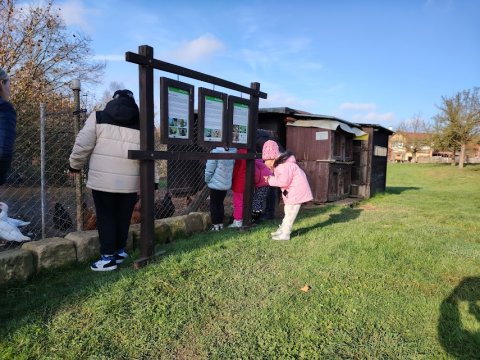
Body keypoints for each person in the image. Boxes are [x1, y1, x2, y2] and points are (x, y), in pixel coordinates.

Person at [68, 89, 140, 271]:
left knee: (106, 217)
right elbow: (150, 154)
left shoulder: (98, 116)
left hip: (103, 180)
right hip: (130, 181)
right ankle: (119, 251)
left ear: (113, 100)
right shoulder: (142, 122)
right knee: (124, 216)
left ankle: (108, 257)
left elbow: (83, 143)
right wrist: (152, 180)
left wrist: (74, 165)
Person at [262, 140, 313, 241]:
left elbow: (283, 182)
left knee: (290, 213)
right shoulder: (282, 164)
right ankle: (283, 230)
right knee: (288, 211)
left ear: (272, 157)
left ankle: (285, 233)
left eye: (266, 160)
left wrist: (269, 179)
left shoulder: (283, 166)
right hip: (293, 191)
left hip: (296, 192)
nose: (265, 163)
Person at [204, 146, 236, 231]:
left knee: (214, 204)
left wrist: (207, 179)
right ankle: (220, 224)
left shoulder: (215, 152)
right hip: (225, 183)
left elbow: (209, 169)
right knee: (220, 203)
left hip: (215, 183)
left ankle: (215, 225)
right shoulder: (233, 152)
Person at [0, 67, 16, 185]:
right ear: (1, 83)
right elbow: (3, 152)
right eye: (9, 86)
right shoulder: (4, 108)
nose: (9, 90)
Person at [229, 148, 247, 228]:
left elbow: (236, 168)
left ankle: (238, 221)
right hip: (248, 181)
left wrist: (231, 178)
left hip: (239, 181)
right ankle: (244, 218)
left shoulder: (239, 153)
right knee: (245, 201)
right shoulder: (251, 151)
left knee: (238, 202)